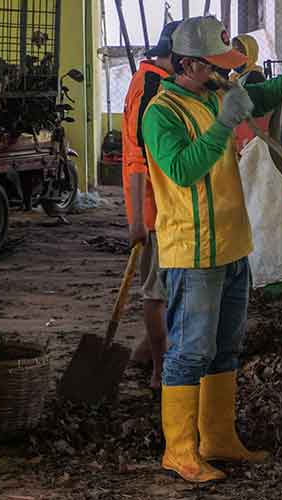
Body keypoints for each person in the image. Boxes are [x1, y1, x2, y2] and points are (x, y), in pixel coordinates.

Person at [141, 15, 282, 483]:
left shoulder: (214, 92)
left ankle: (218, 438)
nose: (224, 73)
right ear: (186, 64)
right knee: (190, 351)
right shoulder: (162, 113)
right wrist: (225, 123)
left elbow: (259, 98)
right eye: (214, 66)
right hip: (195, 251)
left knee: (226, 348)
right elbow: (183, 169)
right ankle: (179, 451)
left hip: (232, 244)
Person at [124, 20, 181, 390]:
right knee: (156, 291)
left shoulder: (151, 80)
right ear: (176, 57)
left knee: (162, 287)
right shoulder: (151, 88)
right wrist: (137, 221)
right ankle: (161, 371)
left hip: (161, 206)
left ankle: (146, 351)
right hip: (154, 209)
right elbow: (138, 160)